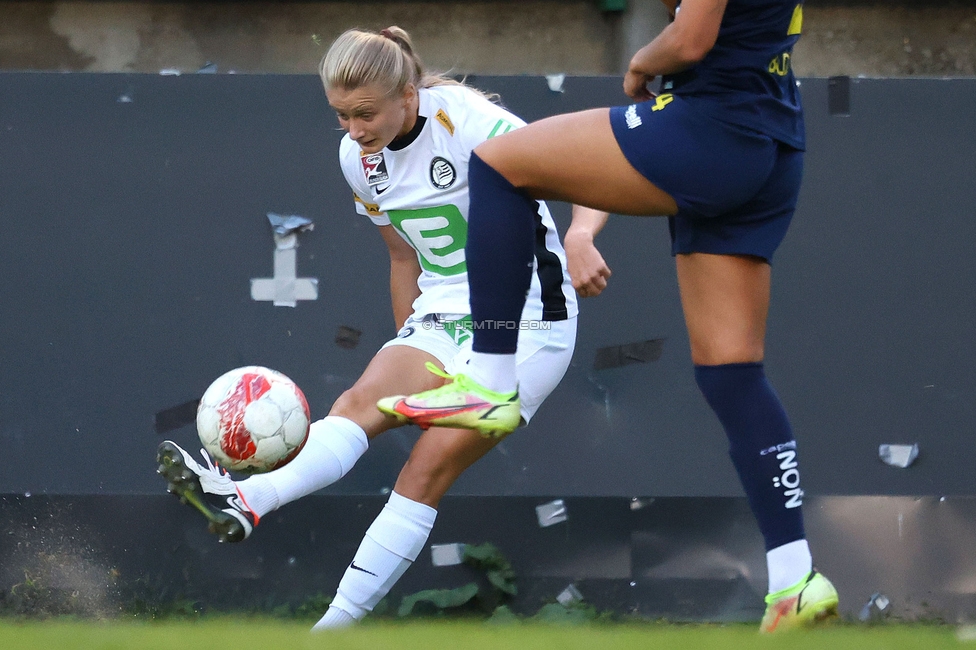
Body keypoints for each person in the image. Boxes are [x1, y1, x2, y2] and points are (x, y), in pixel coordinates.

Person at [382, 0, 839, 632]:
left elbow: (693, 38)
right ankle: (795, 578)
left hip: (712, 125)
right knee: (731, 373)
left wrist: (642, 61)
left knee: (496, 164)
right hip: (774, 137)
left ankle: (488, 379)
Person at [156, 26, 577, 630]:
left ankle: (336, 627)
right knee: (355, 405)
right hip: (442, 316)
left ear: (408, 94)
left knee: (423, 470)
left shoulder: (470, 121)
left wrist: (584, 235)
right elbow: (404, 257)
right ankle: (246, 499)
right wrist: (409, 338)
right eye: (341, 116)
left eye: (364, 113)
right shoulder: (359, 159)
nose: (355, 130)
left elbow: (582, 162)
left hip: (530, 323)